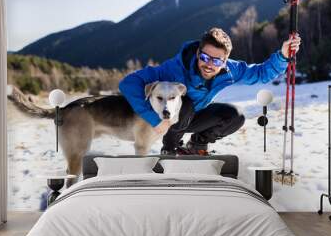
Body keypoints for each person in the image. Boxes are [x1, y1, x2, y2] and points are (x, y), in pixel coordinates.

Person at [119, 27, 301, 155]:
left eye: (216, 61)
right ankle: (170, 148)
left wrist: (283, 55)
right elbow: (129, 83)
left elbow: (260, 73)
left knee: (235, 116)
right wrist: (153, 118)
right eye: (205, 57)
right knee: (186, 104)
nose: (209, 64)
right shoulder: (174, 70)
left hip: (196, 116)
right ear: (198, 53)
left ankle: (196, 145)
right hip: (169, 121)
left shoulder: (230, 70)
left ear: (224, 62)